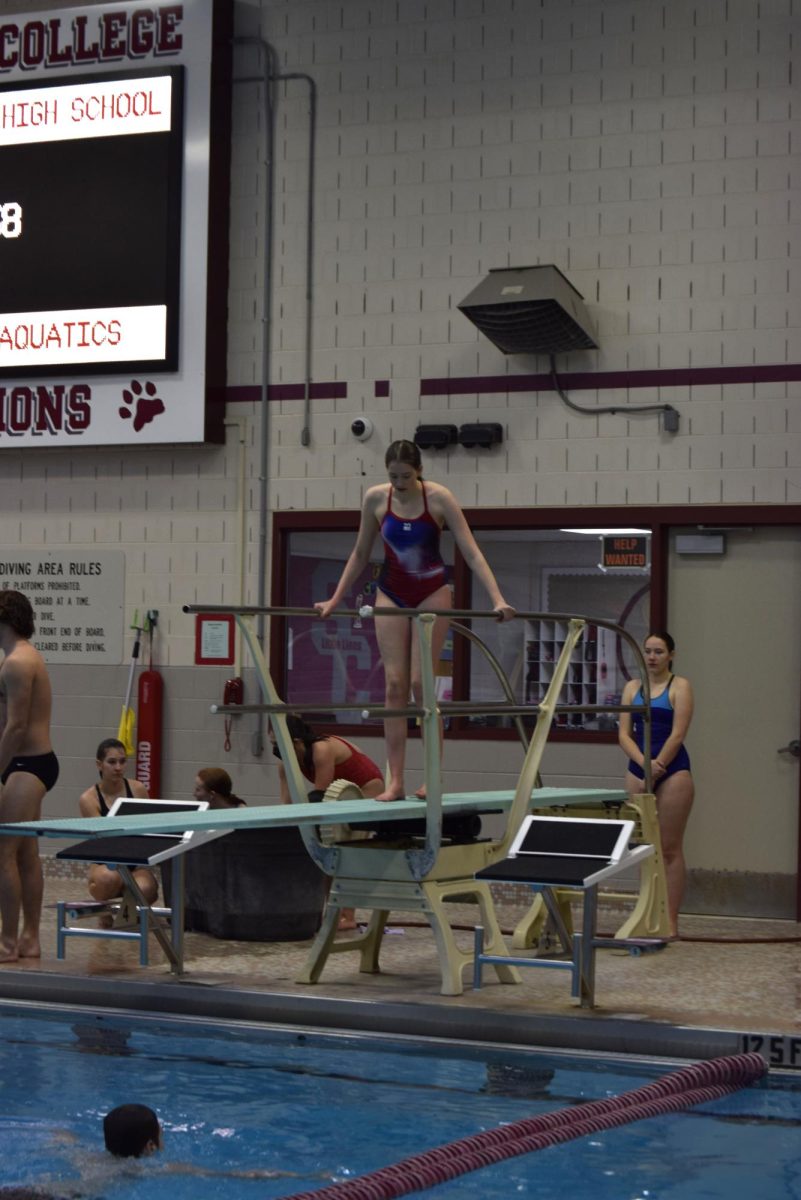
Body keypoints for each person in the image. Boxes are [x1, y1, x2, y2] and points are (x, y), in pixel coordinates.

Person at [314, 438, 515, 802]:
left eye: (406, 476)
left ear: (419, 471)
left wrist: (498, 598)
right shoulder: (376, 498)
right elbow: (360, 553)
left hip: (432, 590)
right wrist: (335, 598)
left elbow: (470, 550)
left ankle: (432, 777)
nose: (399, 483)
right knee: (394, 686)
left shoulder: (439, 498)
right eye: (393, 476)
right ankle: (396, 781)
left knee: (421, 685)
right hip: (391, 590)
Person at [271, 714, 384, 930]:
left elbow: (319, 799)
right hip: (339, 795)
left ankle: (347, 915)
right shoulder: (286, 763)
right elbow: (285, 805)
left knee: (345, 852)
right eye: (273, 745)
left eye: (278, 745)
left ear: (296, 742)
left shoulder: (322, 749)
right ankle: (331, 910)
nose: (277, 751)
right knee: (326, 854)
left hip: (366, 791)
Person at [618, 631, 694, 940]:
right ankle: (649, 914)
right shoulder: (632, 688)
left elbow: (678, 734)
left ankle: (671, 922)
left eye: (658, 651)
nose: (651, 657)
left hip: (673, 770)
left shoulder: (681, 687)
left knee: (669, 848)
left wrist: (659, 765)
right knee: (644, 848)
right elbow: (624, 734)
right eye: (648, 651)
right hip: (638, 769)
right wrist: (644, 763)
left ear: (671, 655)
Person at [0, 589, 59, 963]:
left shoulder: (18, 662)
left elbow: (17, 728)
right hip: (29, 765)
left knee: (3, 853)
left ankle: (7, 943)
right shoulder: (16, 658)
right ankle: (30, 940)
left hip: (27, 765)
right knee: (26, 855)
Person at [78, 738, 157, 911]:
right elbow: (103, 841)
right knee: (109, 878)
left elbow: (150, 827)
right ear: (99, 765)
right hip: (104, 863)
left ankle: (126, 910)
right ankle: (104, 912)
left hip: (133, 862)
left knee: (146, 889)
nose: (118, 767)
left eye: (122, 761)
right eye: (112, 762)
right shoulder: (89, 798)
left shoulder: (138, 789)